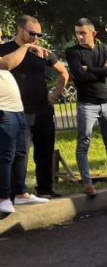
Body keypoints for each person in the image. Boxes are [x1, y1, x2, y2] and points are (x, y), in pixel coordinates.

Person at [0, 15, 69, 199]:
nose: (36, 38)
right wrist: (25, 48)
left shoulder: (42, 52)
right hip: (15, 110)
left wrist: (55, 94)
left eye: (39, 34)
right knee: (16, 152)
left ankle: (45, 189)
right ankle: (16, 192)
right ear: (20, 29)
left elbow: (63, 73)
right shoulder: (5, 50)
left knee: (45, 150)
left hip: (42, 108)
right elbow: (6, 65)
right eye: (32, 33)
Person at [65, 18, 107, 197]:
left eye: (83, 33)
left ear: (93, 33)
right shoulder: (72, 52)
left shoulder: (102, 49)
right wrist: (99, 70)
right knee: (84, 143)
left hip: (106, 101)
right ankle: (87, 182)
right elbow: (79, 77)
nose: (79, 37)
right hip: (87, 103)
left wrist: (90, 69)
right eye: (77, 33)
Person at [0, 26, 50, 214]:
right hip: (3, 111)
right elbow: (6, 64)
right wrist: (26, 46)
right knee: (5, 156)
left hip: (16, 110)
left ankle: (20, 193)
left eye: (1, 35)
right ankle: (3, 197)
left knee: (20, 153)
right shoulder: (5, 56)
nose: (0, 39)